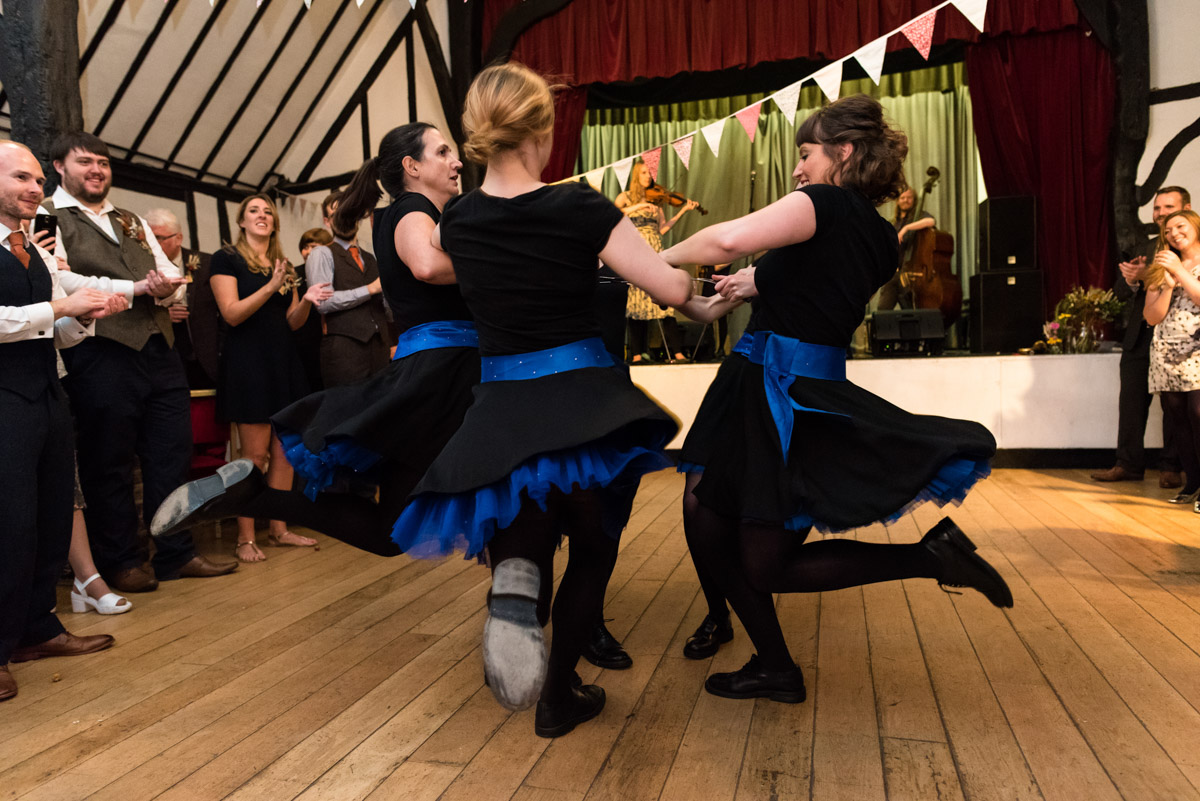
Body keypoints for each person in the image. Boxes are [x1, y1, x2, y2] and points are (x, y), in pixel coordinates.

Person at [660, 95, 1011, 698]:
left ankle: (927, 562)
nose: (797, 169)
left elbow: (723, 242)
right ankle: (773, 662)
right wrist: (715, 285)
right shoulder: (877, 237)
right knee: (707, 518)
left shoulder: (821, 204)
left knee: (756, 557)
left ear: (842, 153)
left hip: (775, 393)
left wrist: (644, 256)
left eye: (805, 154)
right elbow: (710, 305)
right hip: (790, 386)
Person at [390, 63, 692, 738]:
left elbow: (429, 257)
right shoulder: (581, 207)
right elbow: (670, 292)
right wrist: (706, 283)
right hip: (584, 401)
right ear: (545, 130)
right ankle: (558, 697)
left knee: (524, 535)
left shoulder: (460, 220)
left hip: (502, 405)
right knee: (592, 546)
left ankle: (515, 582)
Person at [152, 122, 475, 560]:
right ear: (411, 166)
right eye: (443, 152)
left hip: (430, 372)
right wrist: (505, 262)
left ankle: (251, 497)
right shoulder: (414, 207)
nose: (457, 161)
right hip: (447, 375)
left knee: (392, 532)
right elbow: (426, 267)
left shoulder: (405, 216)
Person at [44, 132, 237, 592]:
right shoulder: (46, 216)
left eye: (104, 163)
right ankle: (121, 561)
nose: (97, 170)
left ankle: (175, 553)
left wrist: (169, 286)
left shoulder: (130, 219)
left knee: (171, 455)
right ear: (59, 167)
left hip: (158, 348)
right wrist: (136, 290)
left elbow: (168, 273)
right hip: (98, 350)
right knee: (108, 461)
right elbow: (61, 279)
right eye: (85, 162)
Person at [0, 140, 127, 701]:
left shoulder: (37, 249)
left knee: (52, 517)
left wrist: (90, 316)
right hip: (3, 399)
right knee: (8, 526)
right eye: (21, 179)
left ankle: (37, 628)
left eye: (36, 181)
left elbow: (60, 327)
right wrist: (61, 309)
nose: (34, 189)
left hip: (47, 394)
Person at [208, 194, 332, 562]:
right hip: (249, 365)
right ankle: (245, 537)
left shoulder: (282, 265)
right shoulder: (226, 258)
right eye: (253, 211)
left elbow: (292, 322)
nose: (262, 216)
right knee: (254, 455)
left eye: (267, 212)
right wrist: (269, 285)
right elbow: (231, 314)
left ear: (274, 223)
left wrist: (306, 298)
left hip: (283, 363)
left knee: (285, 451)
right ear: (242, 221)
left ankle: (279, 528)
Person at [1091, 187, 1190, 491]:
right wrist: (1134, 280)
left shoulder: (1191, 247)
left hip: (1181, 340)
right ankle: (1127, 464)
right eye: (1157, 208)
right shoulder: (1145, 246)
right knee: (1131, 402)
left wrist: (1152, 276)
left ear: (1186, 208)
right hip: (1140, 336)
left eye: (1168, 207)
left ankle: (1172, 467)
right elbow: (1120, 292)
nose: (1161, 213)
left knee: (1175, 406)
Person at [1143, 209, 1200, 513]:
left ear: (1195, 226)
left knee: (1198, 414)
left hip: (1198, 352)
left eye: (1180, 226)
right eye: (1168, 231)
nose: (1174, 233)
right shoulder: (1161, 266)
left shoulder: (1178, 265)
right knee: (1177, 419)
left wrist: (1180, 272)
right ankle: (1192, 483)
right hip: (1166, 353)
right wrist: (1166, 284)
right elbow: (1151, 316)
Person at [615, 160, 698, 363]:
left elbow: (662, 229)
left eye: (649, 173)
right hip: (634, 250)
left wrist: (682, 211)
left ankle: (677, 353)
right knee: (636, 301)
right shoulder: (625, 198)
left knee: (663, 299)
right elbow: (612, 214)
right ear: (636, 175)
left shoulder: (655, 203)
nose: (648, 177)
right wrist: (639, 206)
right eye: (644, 173)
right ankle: (636, 354)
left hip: (655, 250)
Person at [306, 200, 392, 388]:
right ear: (327, 221)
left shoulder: (371, 257)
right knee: (348, 411)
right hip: (344, 351)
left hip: (380, 348)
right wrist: (370, 289)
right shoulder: (321, 253)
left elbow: (387, 310)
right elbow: (323, 302)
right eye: (337, 214)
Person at [146, 208, 220, 390]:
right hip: (163, 356)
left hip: (206, 355)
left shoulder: (207, 263)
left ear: (178, 238)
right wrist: (162, 315)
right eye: (147, 239)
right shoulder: (141, 267)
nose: (151, 245)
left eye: (158, 238)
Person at [875, 185, 935, 310]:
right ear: (898, 201)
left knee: (910, 312)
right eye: (903, 198)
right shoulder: (892, 223)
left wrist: (906, 228)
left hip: (911, 274)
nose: (906, 200)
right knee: (882, 310)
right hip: (893, 274)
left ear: (914, 200)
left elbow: (931, 221)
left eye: (909, 198)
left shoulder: (918, 217)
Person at [293, 228, 334, 392]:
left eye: (314, 247)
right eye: (305, 247)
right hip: (303, 337)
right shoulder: (295, 274)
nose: (308, 252)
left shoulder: (334, 272)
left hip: (328, 337)